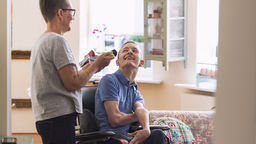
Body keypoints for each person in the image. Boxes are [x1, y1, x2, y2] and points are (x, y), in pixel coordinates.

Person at [30, 0, 114, 143]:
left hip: (48, 117)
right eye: (71, 12)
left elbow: (65, 78)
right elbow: (73, 83)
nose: (73, 17)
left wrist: (92, 68)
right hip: (58, 118)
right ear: (60, 13)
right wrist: (96, 64)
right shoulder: (57, 41)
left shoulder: (42, 41)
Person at [95, 41, 168, 144]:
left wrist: (146, 129)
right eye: (125, 50)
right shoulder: (109, 80)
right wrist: (138, 115)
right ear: (117, 62)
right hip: (110, 138)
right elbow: (115, 120)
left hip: (128, 136)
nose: (129, 52)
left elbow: (140, 109)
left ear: (141, 63)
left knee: (158, 134)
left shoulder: (134, 89)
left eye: (134, 51)